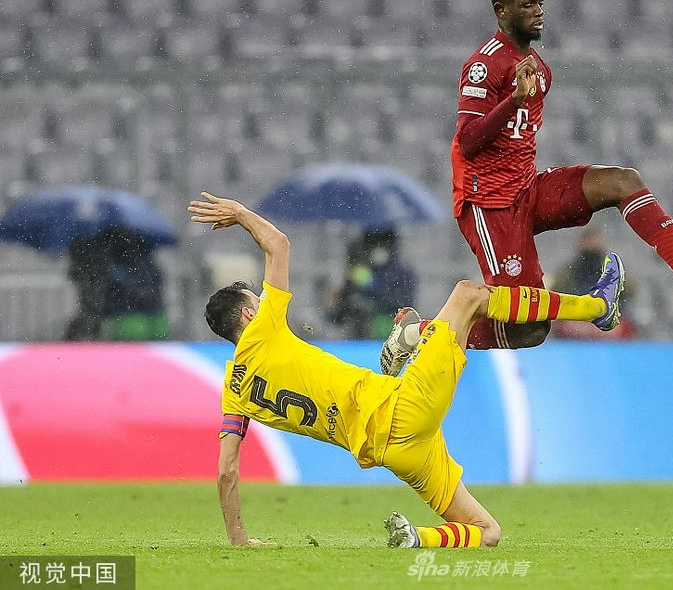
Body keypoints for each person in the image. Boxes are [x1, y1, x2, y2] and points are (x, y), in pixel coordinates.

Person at [187, 191, 624, 548]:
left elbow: (227, 470)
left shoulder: (233, 393)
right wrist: (241, 213)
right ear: (248, 315)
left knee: (487, 531)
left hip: (395, 453)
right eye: (257, 300)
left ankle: (418, 538)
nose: (264, 301)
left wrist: (239, 539)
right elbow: (278, 243)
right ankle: (596, 307)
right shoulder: (264, 330)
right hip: (399, 411)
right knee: (468, 295)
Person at [449, 0, 673, 350]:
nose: (538, 10)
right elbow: (468, 141)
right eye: (527, 4)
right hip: (489, 203)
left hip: (526, 189)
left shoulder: (541, 71)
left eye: (540, 2)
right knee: (529, 329)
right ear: (501, 10)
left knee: (622, 181)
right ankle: (421, 335)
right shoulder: (484, 64)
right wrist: (513, 101)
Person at [326, 228, 417, 340]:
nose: (376, 251)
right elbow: (339, 316)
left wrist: (371, 288)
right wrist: (335, 305)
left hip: (387, 333)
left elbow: (401, 303)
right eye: (372, 246)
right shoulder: (360, 270)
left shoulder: (400, 272)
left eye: (381, 245)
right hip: (358, 337)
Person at [549, 228, 636, 340]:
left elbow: (629, 291)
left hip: (606, 319)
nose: (591, 244)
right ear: (581, 243)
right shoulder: (570, 270)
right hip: (577, 321)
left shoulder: (611, 267)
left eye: (594, 240)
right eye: (588, 240)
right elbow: (557, 291)